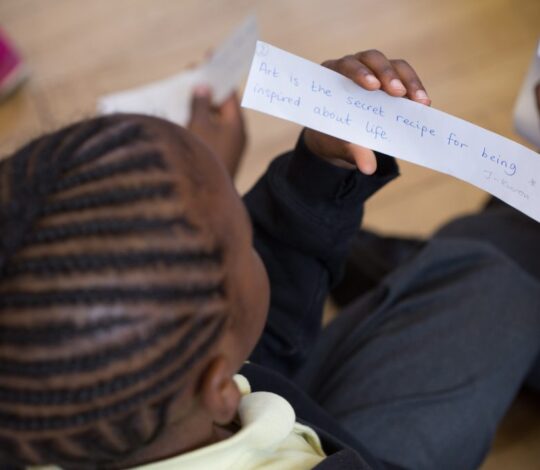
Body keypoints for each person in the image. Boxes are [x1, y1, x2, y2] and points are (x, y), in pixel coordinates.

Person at [0, 50, 538, 470]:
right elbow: (264, 344)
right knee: (499, 280)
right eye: (241, 235)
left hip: (293, 408)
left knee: (488, 263)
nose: (249, 234)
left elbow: (252, 340)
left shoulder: (62, 404)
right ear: (219, 385)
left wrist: (318, 173)